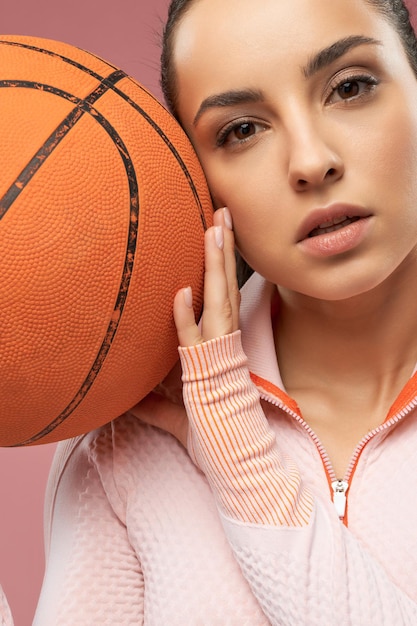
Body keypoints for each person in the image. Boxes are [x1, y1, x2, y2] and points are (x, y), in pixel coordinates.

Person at [31, 0, 417, 623]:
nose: (311, 162)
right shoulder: (133, 428)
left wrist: (238, 454)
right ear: (197, 178)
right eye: (241, 130)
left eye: (349, 87)